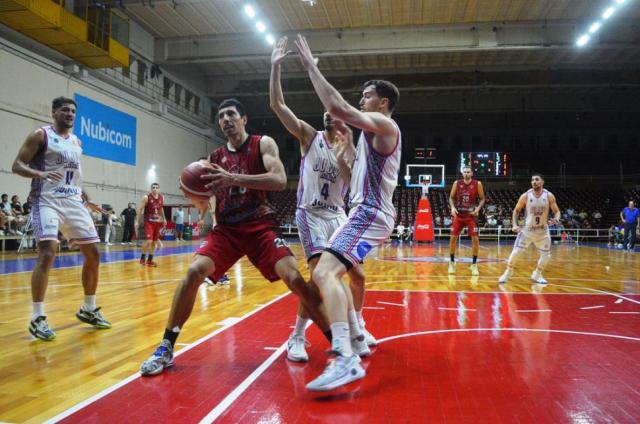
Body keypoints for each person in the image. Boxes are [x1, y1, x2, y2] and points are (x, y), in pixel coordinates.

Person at [140, 98, 330, 376]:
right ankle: (166, 347)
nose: (226, 119)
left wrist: (233, 178)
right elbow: (205, 198)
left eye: (231, 114)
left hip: (260, 227)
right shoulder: (215, 158)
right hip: (227, 231)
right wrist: (194, 194)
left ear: (243, 119)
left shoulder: (262, 144)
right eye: (221, 116)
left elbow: (279, 180)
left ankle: (339, 345)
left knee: (295, 279)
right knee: (193, 272)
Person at [295, 34, 401, 391]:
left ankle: (346, 358)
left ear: (383, 103)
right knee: (336, 273)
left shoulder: (387, 126)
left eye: (367, 96)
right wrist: (348, 148)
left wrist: (310, 67)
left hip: (369, 213)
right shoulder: (371, 138)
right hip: (369, 213)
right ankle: (354, 337)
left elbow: (337, 106)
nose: (362, 100)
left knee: (324, 271)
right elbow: (354, 175)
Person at [270, 36, 373, 363]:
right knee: (319, 277)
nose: (329, 115)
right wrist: (275, 68)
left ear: (341, 118)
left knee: (358, 276)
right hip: (311, 214)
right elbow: (278, 106)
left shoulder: (351, 147)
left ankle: (359, 325)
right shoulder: (309, 136)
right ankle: (297, 336)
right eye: (325, 112)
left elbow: (353, 184)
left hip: (338, 215)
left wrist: (344, 156)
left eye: (333, 112)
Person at [11, 96, 111, 340]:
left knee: (93, 254)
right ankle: (37, 317)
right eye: (65, 110)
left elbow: (73, 175)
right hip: (46, 200)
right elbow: (17, 165)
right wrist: (40, 174)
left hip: (73, 201)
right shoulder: (40, 135)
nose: (70, 114)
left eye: (73, 111)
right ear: (54, 112)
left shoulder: (77, 141)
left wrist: (86, 197)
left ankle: (88, 308)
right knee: (47, 252)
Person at [498, 174, 561, 285]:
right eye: (532, 180)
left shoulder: (549, 196)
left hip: (543, 231)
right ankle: (508, 272)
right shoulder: (526, 196)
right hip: (527, 230)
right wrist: (514, 224)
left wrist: (556, 219)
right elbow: (516, 211)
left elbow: (557, 212)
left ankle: (537, 274)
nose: (534, 182)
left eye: (537, 179)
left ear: (542, 182)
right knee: (515, 253)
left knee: (546, 256)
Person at [448, 166, 485, 276]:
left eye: (468, 172)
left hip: (471, 216)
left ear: (471, 173)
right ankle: (452, 262)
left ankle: (474, 264)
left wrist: (478, 209)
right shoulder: (457, 183)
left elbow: (482, 198)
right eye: (464, 172)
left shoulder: (477, 184)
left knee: (475, 239)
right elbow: (451, 197)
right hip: (459, 215)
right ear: (462, 173)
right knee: (453, 238)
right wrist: (452, 208)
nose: (466, 173)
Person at [137, 183, 166, 267]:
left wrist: (164, 218)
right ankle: (142, 259)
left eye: (156, 187)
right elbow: (140, 209)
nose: (155, 189)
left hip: (157, 222)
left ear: (159, 189)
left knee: (154, 242)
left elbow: (161, 208)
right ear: (151, 189)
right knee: (149, 241)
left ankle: (149, 260)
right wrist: (137, 221)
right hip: (148, 222)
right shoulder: (146, 197)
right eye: (153, 187)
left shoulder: (162, 197)